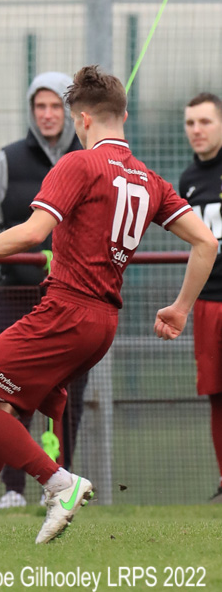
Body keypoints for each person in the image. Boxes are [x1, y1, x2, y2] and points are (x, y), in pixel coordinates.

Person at [0, 65, 218, 546]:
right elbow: (206, 242)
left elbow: (33, 232)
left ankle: (59, 482)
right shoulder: (150, 180)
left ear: (82, 119)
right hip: (101, 325)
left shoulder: (78, 164)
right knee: (1, 410)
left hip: (66, 313)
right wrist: (179, 308)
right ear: (125, 115)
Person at [0, 72, 89, 509]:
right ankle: (12, 489)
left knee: (68, 394)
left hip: (74, 298)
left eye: (56, 106)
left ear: (71, 113)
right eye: (39, 106)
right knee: (9, 390)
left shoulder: (88, 159)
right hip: (18, 296)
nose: (47, 115)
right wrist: (20, 249)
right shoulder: (8, 159)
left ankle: (59, 485)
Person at [179, 92, 222, 503]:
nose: (197, 130)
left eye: (205, 121)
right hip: (208, 301)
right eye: (190, 123)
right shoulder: (188, 180)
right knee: (215, 393)